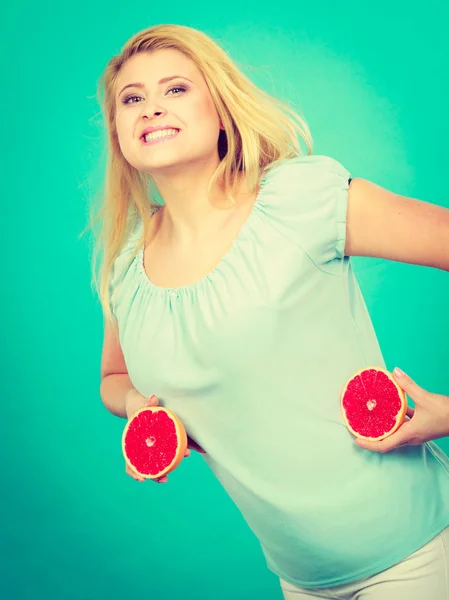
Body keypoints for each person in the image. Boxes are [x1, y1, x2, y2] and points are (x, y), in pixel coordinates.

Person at [91, 23, 449, 600]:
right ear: (118, 132)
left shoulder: (300, 200)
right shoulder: (127, 266)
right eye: (132, 98)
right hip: (300, 579)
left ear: (221, 106)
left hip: (416, 555)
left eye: (175, 89)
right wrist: (141, 407)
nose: (151, 108)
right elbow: (113, 379)